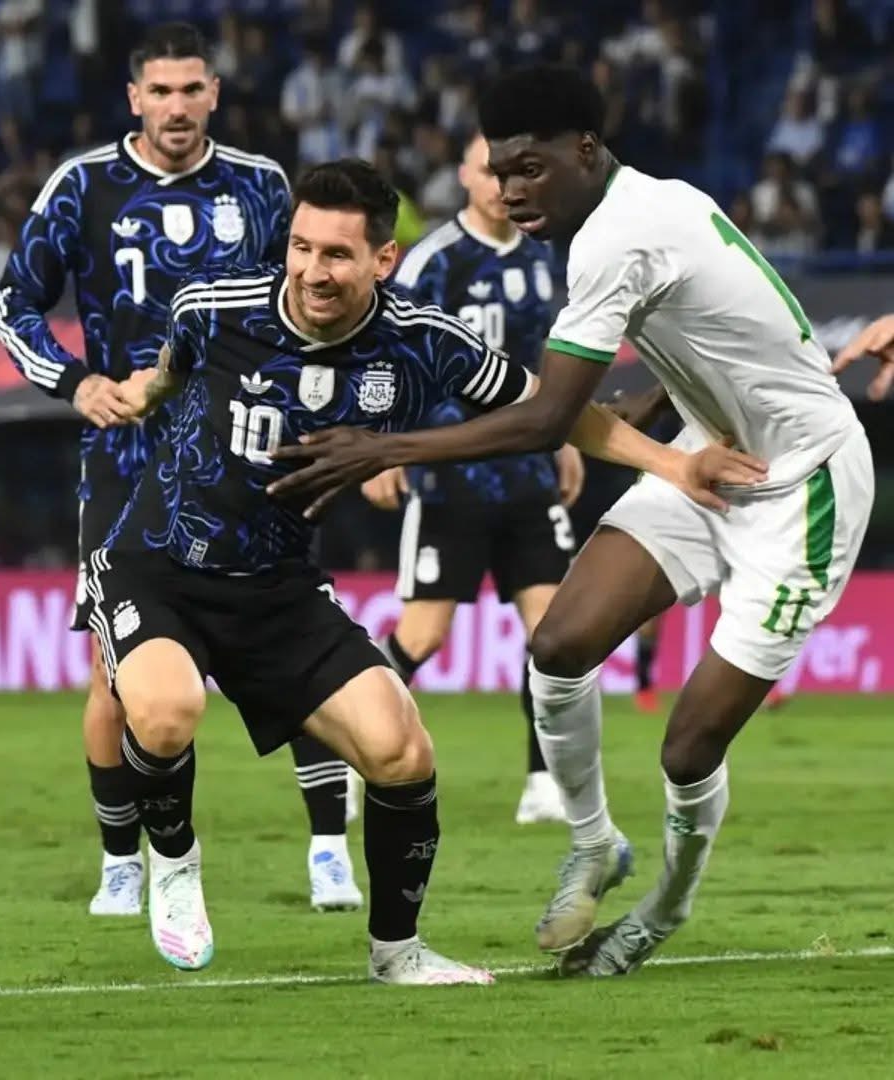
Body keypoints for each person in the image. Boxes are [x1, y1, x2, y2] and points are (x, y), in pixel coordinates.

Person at [267, 64, 872, 977]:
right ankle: (594, 843)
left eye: (531, 169)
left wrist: (383, 449)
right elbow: (711, 333)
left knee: (688, 745)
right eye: (499, 172)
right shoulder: (646, 206)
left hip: (805, 487)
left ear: (585, 151)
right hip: (708, 455)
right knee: (556, 646)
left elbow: (547, 418)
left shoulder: (614, 239)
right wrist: (652, 411)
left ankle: (660, 911)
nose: (513, 192)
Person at [96, 158, 753, 981]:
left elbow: (551, 409)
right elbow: (171, 370)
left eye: (337, 254)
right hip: (159, 563)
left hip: (279, 588)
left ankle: (397, 952)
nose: (312, 271)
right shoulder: (214, 307)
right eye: (301, 247)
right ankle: (175, 862)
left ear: (383, 259)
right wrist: (144, 393)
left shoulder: (422, 342)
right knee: (167, 712)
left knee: (401, 751)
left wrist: (673, 464)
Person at [0, 23, 360, 920]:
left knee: (295, 650)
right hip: (126, 461)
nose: (177, 106)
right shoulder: (83, 185)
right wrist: (78, 383)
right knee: (112, 676)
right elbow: (13, 306)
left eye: (192, 89)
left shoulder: (261, 186)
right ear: (134, 99)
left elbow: (310, 304)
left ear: (215, 94)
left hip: (248, 450)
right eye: (160, 91)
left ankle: (328, 852)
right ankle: (123, 862)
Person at [362, 131, 579, 824]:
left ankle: (543, 782)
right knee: (422, 636)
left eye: (513, 172)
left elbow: (551, 358)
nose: (500, 185)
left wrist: (567, 438)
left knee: (552, 634)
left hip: (527, 477)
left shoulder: (543, 257)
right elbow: (385, 353)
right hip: (451, 477)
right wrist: (385, 446)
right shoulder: (435, 260)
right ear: (463, 176)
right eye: (488, 170)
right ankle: (350, 747)